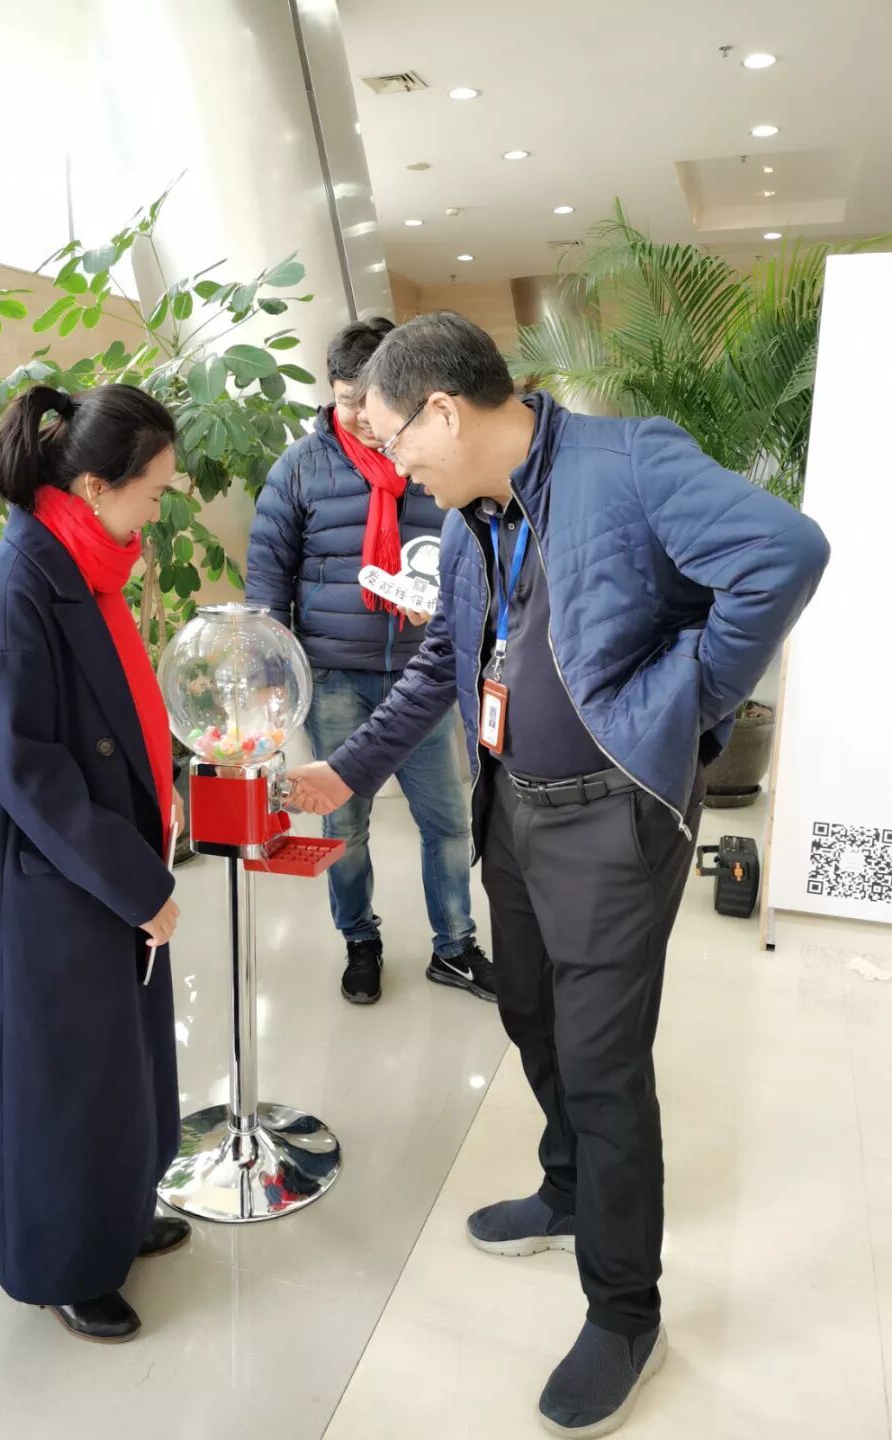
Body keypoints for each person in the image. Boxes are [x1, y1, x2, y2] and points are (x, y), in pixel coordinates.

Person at [286, 313, 830, 1435]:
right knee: (529, 1012)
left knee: (601, 1063)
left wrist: (689, 699)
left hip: (609, 825)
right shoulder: (473, 517)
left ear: (444, 410)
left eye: (391, 436)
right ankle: (570, 1188)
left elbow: (786, 553)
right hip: (513, 810)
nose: (391, 462)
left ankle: (626, 1313)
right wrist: (348, 771)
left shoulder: (628, 465)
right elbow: (445, 661)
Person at [0, 383, 188, 1344]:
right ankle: (63, 1263)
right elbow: (28, 773)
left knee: (119, 1067)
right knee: (65, 1083)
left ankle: (117, 1216)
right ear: (95, 485)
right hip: (57, 883)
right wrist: (138, 884)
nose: (158, 512)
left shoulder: (80, 564)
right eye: (153, 492)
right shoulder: (19, 587)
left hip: (102, 865)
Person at [246, 316, 493, 1006]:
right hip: (333, 677)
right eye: (345, 398)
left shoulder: (430, 458)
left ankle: (455, 946)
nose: (358, 414)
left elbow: (471, 558)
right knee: (344, 821)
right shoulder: (301, 467)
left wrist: (441, 605)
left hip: (422, 677)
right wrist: (272, 676)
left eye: (369, 399)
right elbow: (267, 578)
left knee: (447, 820)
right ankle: (360, 940)